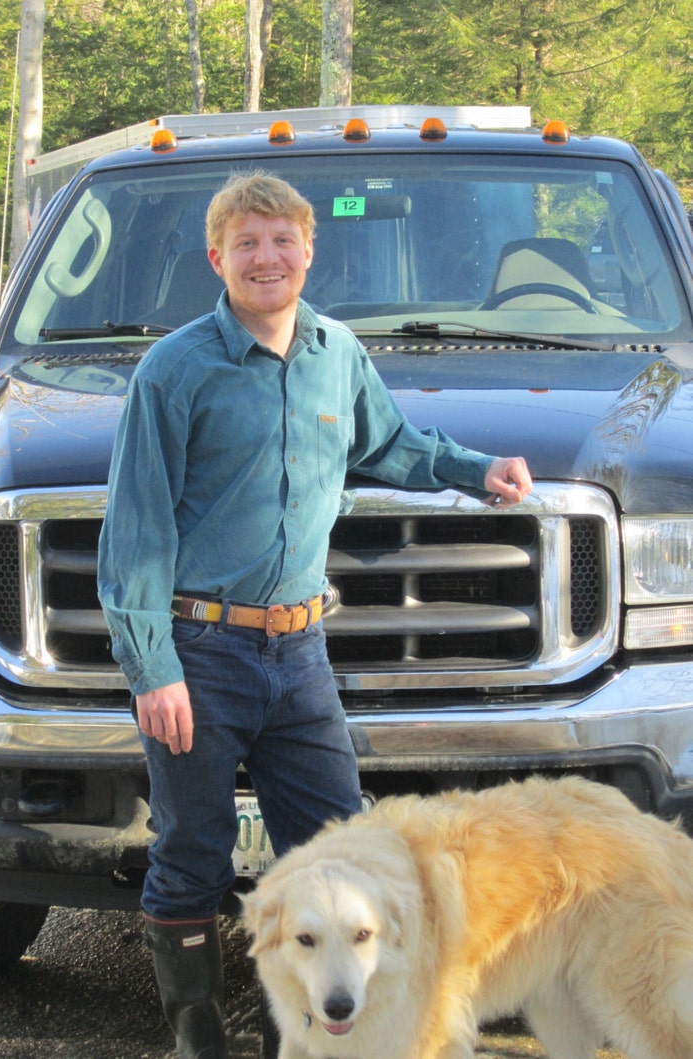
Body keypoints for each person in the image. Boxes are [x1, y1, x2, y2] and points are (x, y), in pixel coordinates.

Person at [97, 171, 533, 1059]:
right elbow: (135, 529)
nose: (267, 258)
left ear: (308, 249)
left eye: (282, 240)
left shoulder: (339, 352)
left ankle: (297, 1038)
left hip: (300, 656)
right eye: (247, 243)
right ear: (217, 258)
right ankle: (199, 1040)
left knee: (338, 852)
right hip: (201, 649)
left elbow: (392, 444)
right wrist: (154, 668)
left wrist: (474, 468)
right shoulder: (174, 370)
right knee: (193, 853)